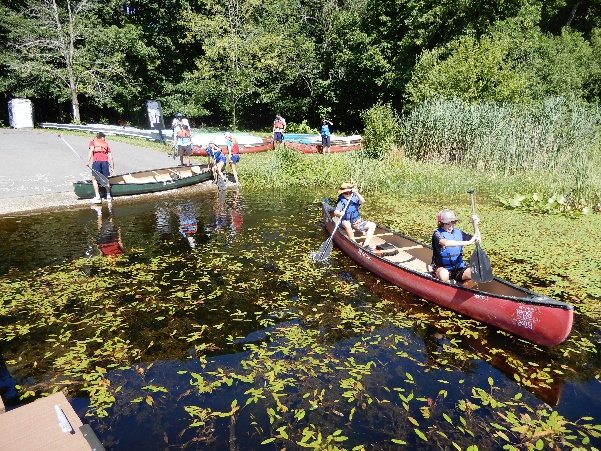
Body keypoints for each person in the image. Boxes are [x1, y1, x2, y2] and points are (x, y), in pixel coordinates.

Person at [431, 209, 481, 287]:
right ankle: (437, 277)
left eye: (452, 223)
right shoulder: (437, 234)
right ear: (441, 224)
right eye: (447, 224)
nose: (451, 227)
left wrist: (476, 225)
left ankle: (461, 290)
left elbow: (478, 240)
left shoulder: (458, 232)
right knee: (444, 276)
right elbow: (446, 243)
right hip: (443, 268)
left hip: (458, 268)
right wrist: (468, 242)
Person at [333, 183, 376, 249]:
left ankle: (366, 245)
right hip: (345, 222)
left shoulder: (354, 199)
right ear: (342, 194)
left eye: (349, 193)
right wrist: (340, 213)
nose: (348, 195)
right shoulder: (341, 202)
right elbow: (336, 212)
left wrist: (356, 193)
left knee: (372, 225)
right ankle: (354, 242)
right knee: (347, 224)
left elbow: (362, 201)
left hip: (356, 221)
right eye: (345, 193)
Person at [86, 132, 114, 204]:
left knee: (94, 178)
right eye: (104, 137)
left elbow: (91, 150)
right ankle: (108, 196)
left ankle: (98, 197)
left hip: (97, 162)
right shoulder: (106, 144)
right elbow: (111, 157)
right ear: (102, 137)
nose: (105, 139)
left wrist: (87, 161)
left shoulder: (93, 142)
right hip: (105, 162)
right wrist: (112, 168)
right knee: (106, 179)